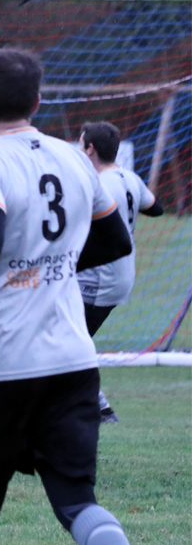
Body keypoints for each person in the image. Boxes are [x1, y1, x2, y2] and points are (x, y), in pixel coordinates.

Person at [0, 49, 151, 545]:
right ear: (38, 100)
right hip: (72, 361)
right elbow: (115, 240)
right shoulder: (74, 158)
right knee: (77, 500)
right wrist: (53, 264)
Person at [76, 121, 164, 423]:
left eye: (80, 145)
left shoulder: (97, 184)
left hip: (99, 278)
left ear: (90, 149)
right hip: (120, 276)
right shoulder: (130, 178)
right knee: (65, 339)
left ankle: (99, 409)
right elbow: (156, 208)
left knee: (65, 342)